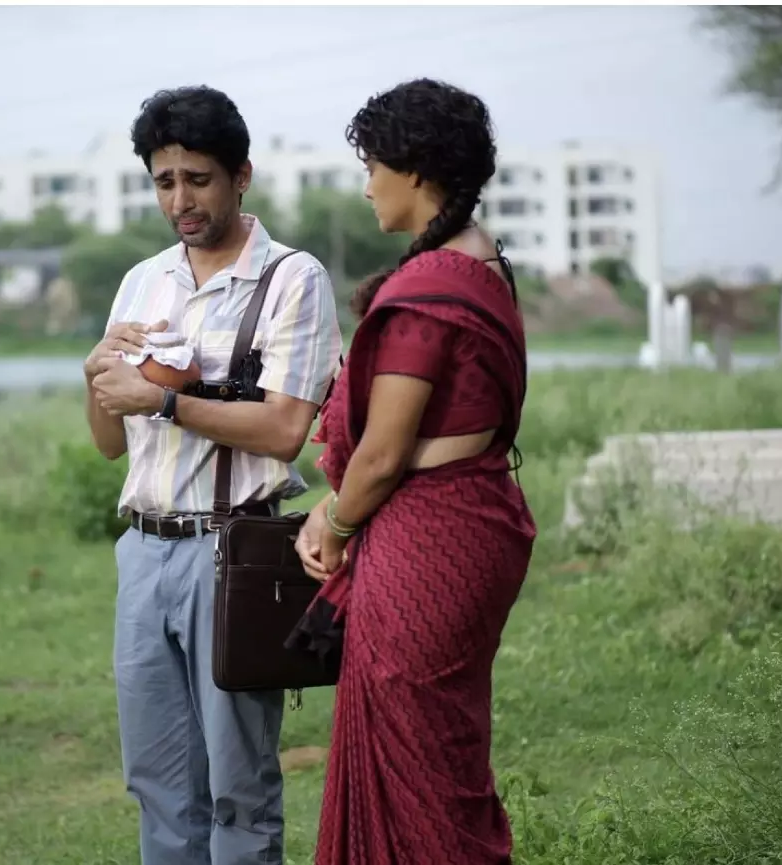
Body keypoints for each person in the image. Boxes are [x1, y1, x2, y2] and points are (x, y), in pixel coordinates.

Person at [83, 85, 343, 865]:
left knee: (238, 786)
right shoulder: (144, 280)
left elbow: (285, 427)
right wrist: (93, 375)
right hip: (143, 550)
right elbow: (108, 443)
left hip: (233, 552)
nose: (181, 199)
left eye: (197, 179)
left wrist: (163, 400)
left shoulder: (292, 280)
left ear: (241, 176)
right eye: (164, 181)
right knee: (157, 785)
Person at [288, 78, 538, 865]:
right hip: (474, 519)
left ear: (417, 169)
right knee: (441, 746)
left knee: (422, 759)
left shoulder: (428, 291)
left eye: (374, 165)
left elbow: (386, 450)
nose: (366, 185)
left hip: (430, 538)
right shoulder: (482, 257)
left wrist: (333, 519)